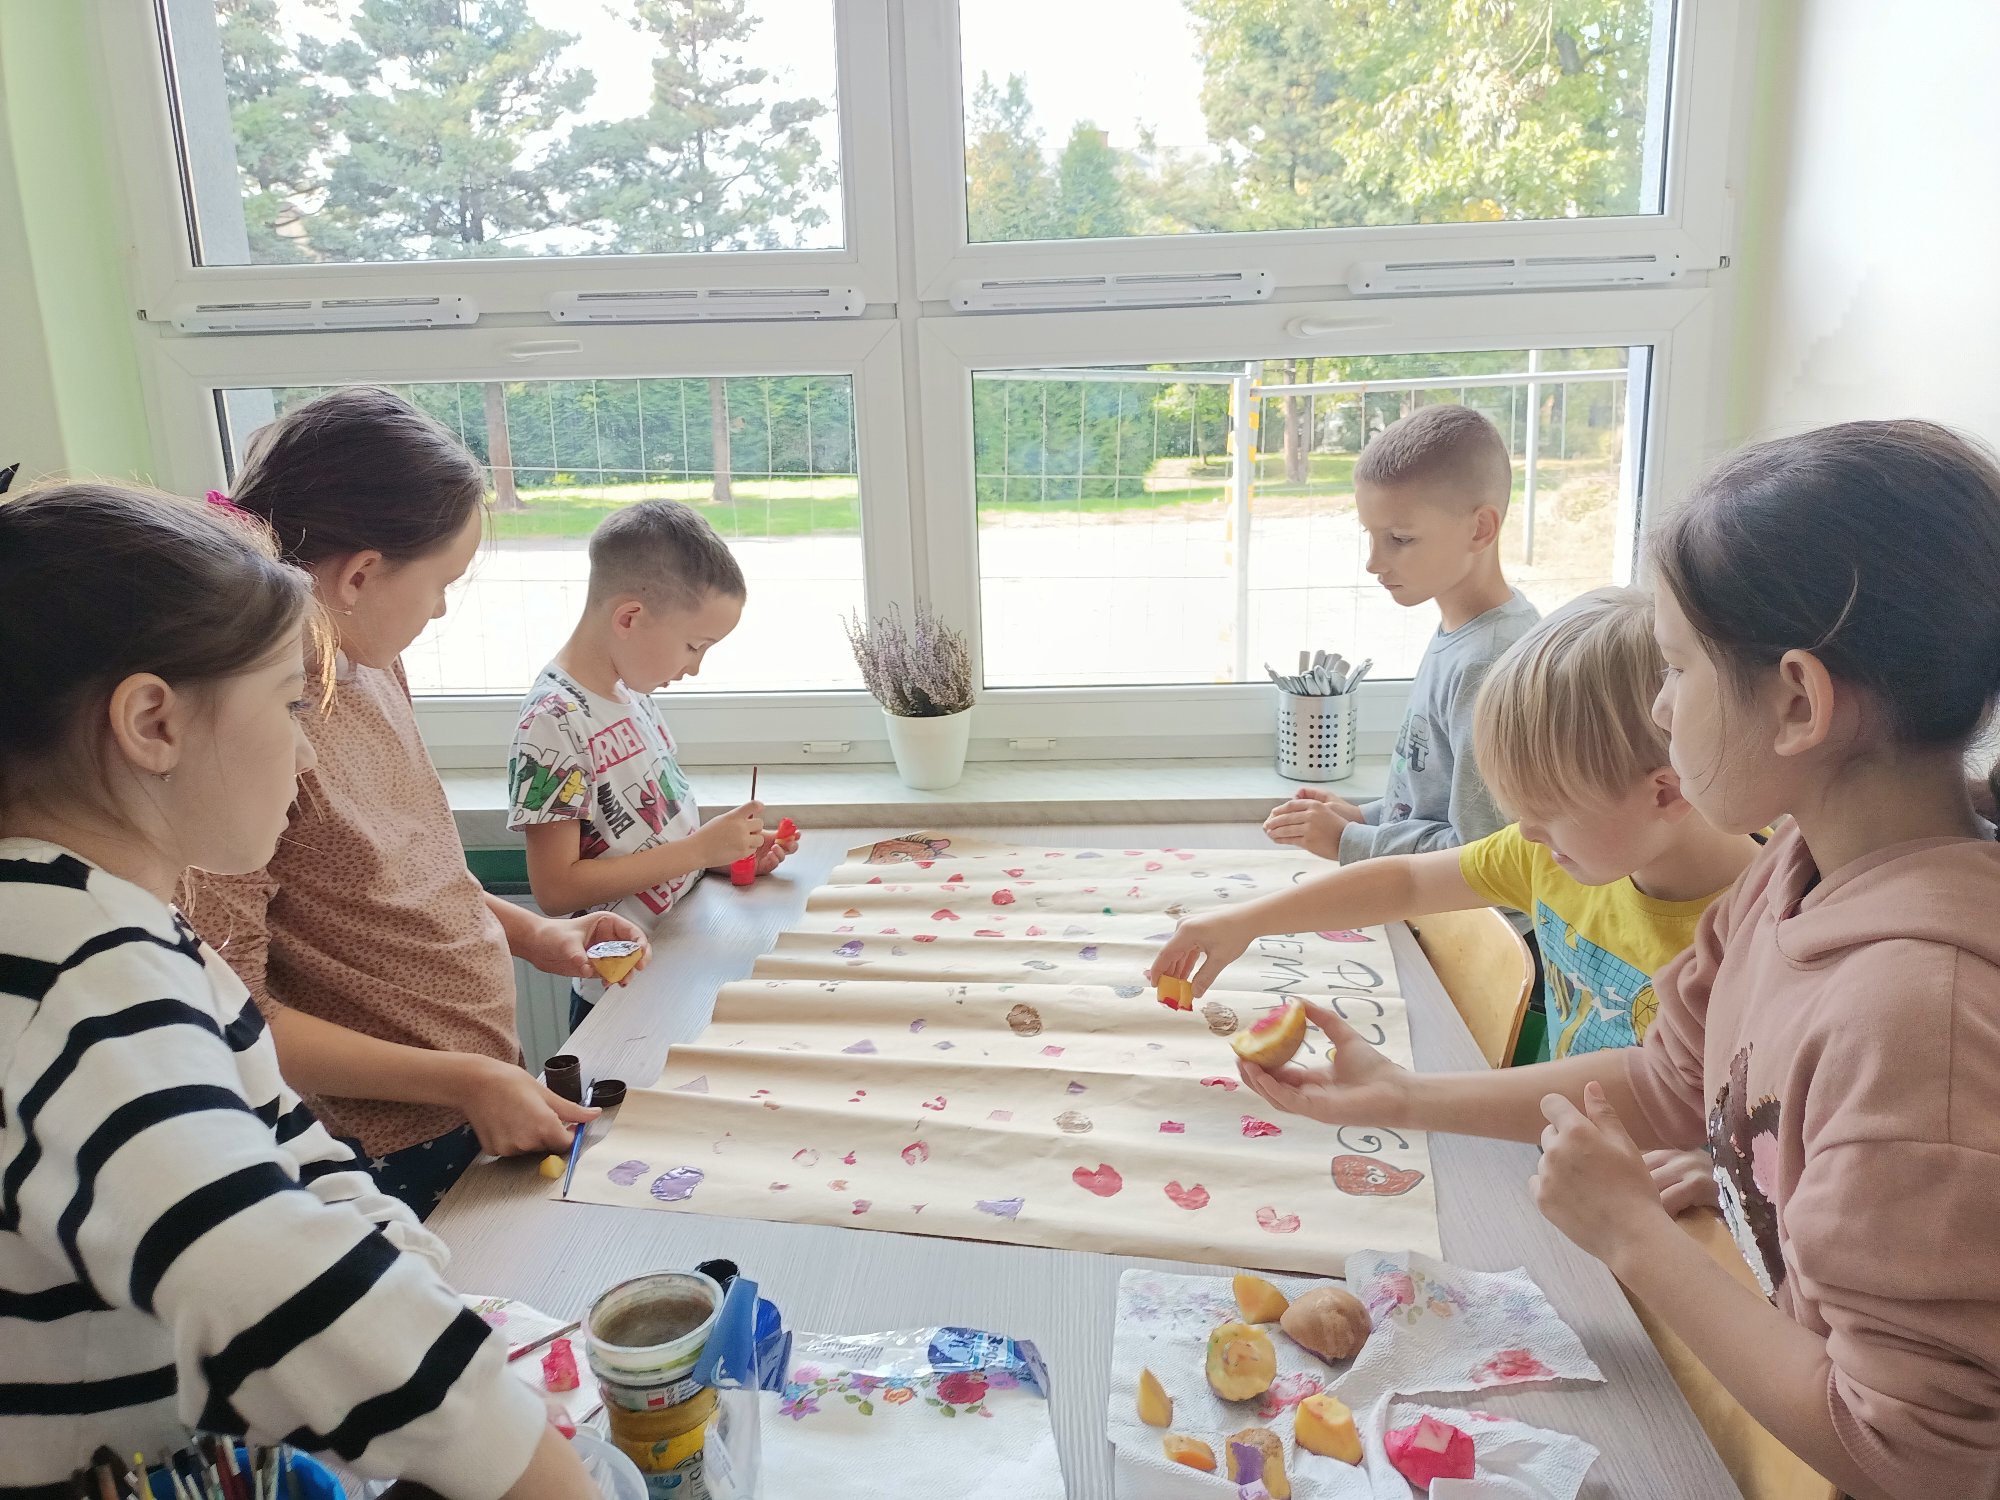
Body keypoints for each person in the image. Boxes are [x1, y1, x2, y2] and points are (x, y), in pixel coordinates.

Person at [1217, 422, 2000, 1499]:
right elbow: (1669, 1080)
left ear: (1796, 702)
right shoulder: (1795, 869)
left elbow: (1914, 1453)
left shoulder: (1918, 1017)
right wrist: (1401, 1094)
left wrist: (1632, 1237)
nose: (1659, 708)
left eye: (1675, 669)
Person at [0, 483, 593, 1499]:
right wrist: (520, 1457)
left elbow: (299, 1158)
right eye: (286, 706)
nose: (307, 748)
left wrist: (425, 1306)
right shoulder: (75, 965)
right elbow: (254, 1271)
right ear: (152, 722)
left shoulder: (119, 929)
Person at [181, 388, 646, 1218]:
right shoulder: (246, 737)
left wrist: (533, 935)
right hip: (377, 1144)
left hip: (468, 1093)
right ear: (360, 575)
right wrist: (462, 1080)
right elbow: (237, 1017)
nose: (440, 609)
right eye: (443, 584)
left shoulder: (370, 662)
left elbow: (413, 867)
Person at [509, 501, 797, 1031]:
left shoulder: (632, 695)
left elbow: (647, 843)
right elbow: (555, 889)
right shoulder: (554, 720)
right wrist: (698, 849)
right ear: (629, 618)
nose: (695, 667)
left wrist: (722, 856)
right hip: (619, 991)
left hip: (676, 960)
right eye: (693, 646)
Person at [1264, 404, 1540, 871]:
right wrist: (1363, 818)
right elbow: (1436, 804)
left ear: (1480, 529)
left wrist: (1351, 841)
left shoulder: (1491, 662)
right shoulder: (1464, 633)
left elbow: (1484, 855)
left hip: (1470, 915)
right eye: (1370, 535)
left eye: (1400, 539)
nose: (1373, 562)